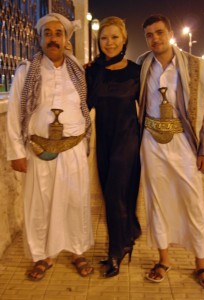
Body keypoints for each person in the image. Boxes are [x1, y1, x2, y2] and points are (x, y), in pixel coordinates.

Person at [7, 13, 94, 281]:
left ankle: (78, 251)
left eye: (58, 33)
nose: (53, 38)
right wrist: (16, 152)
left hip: (73, 150)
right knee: (40, 204)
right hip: (39, 150)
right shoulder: (26, 70)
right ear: (41, 38)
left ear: (66, 39)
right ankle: (42, 256)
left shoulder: (77, 69)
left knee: (75, 201)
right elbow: (13, 113)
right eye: (48, 33)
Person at [138, 14, 204, 288]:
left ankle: (201, 263)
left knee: (192, 201)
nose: (154, 38)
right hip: (151, 142)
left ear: (170, 33)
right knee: (156, 201)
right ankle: (163, 259)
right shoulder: (143, 65)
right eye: (149, 34)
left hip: (184, 142)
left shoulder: (197, 66)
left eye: (159, 32)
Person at [86, 16, 141, 278]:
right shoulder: (92, 71)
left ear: (124, 40)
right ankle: (125, 239)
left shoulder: (136, 70)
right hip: (104, 141)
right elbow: (82, 106)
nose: (109, 42)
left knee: (115, 192)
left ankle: (115, 251)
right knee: (111, 196)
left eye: (114, 37)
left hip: (128, 140)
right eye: (104, 37)